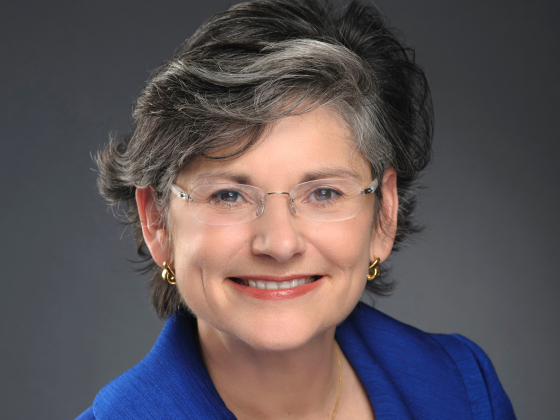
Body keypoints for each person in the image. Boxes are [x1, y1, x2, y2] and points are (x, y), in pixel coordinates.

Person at [77, 0, 516, 418]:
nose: (280, 243)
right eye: (229, 195)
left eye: (323, 193)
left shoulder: (462, 388)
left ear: (384, 214)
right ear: (158, 223)